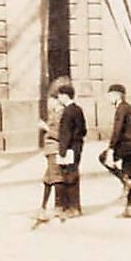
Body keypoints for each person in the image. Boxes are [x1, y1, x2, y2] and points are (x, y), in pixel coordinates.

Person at [101, 83, 131, 218]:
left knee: (103, 158)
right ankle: (129, 208)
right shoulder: (129, 107)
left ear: (117, 95)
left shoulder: (121, 109)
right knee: (130, 173)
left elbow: (118, 130)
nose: (108, 99)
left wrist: (111, 148)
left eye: (110, 96)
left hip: (127, 145)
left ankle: (124, 180)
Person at [54, 79, 87, 218]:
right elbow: (83, 130)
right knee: (72, 175)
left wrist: (62, 151)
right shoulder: (78, 109)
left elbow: (66, 133)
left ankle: (73, 207)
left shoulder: (67, 112)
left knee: (69, 177)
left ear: (65, 96)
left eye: (60, 96)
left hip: (69, 149)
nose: (59, 99)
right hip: (77, 146)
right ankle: (72, 207)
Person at [35, 93, 64, 223]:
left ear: (57, 101)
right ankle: (44, 207)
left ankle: (57, 209)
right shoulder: (54, 113)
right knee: (48, 179)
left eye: (51, 102)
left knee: (56, 178)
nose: (49, 105)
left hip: (55, 149)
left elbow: (60, 134)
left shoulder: (61, 114)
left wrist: (45, 127)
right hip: (50, 149)